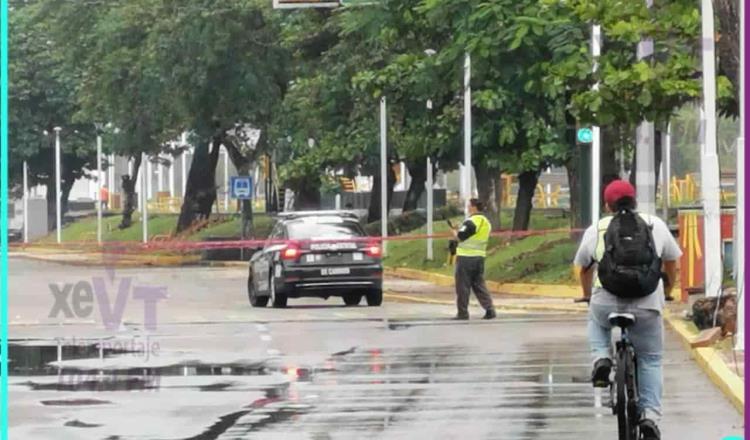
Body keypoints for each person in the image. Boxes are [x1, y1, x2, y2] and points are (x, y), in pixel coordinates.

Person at [573, 180, 681, 440]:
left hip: (606, 300)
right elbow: (672, 262)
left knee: (596, 319)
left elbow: (583, 268)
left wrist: (587, 296)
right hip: (647, 304)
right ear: (634, 200)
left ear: (607, 204)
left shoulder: (597, 228)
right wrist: (667, 290)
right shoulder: (655, 224)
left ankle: (601, 358)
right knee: (650, 359)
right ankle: (650, 417)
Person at [450, 198, 496, 320]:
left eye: (469, 205)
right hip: (479, 257)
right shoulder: (486, 222)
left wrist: (454, 232)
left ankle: (462, 313)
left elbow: (460, 237)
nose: (468, 208)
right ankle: (490, 309)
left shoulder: (471, 221)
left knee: (463, 286)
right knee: (479, 285)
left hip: (466, 258)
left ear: (474, 207)